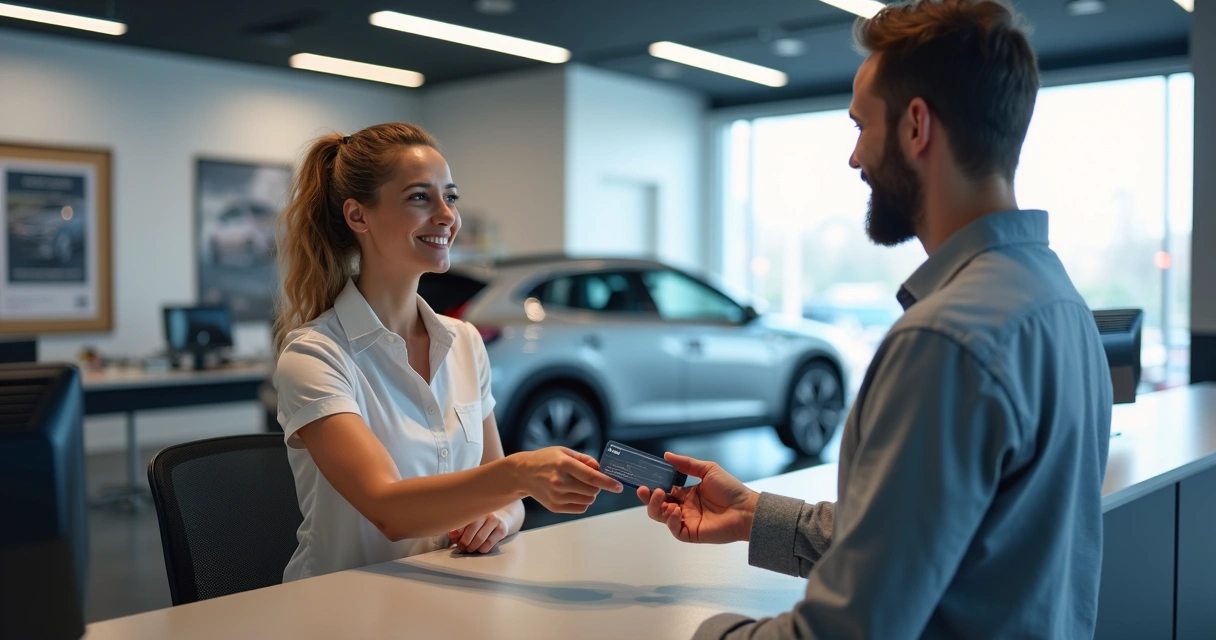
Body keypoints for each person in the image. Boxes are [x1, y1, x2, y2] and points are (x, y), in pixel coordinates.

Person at [638, 1, 1113, 638]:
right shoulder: (1059, 303)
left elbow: (850, 630)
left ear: (917, 126)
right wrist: (754, 512)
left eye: (861, 125)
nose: (855, 159)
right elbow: (951, 546)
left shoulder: (946, 339)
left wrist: (705, 633)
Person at [272, 123, 623, 582]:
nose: (447, 216)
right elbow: (388, 509)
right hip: (343, 609)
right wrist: (520, 473)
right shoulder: (315, 355)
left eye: (450, 197)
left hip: (444, 594)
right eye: (420, 198)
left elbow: (507, 500)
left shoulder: (465, 342)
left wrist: (497, 519)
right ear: (358, 216)